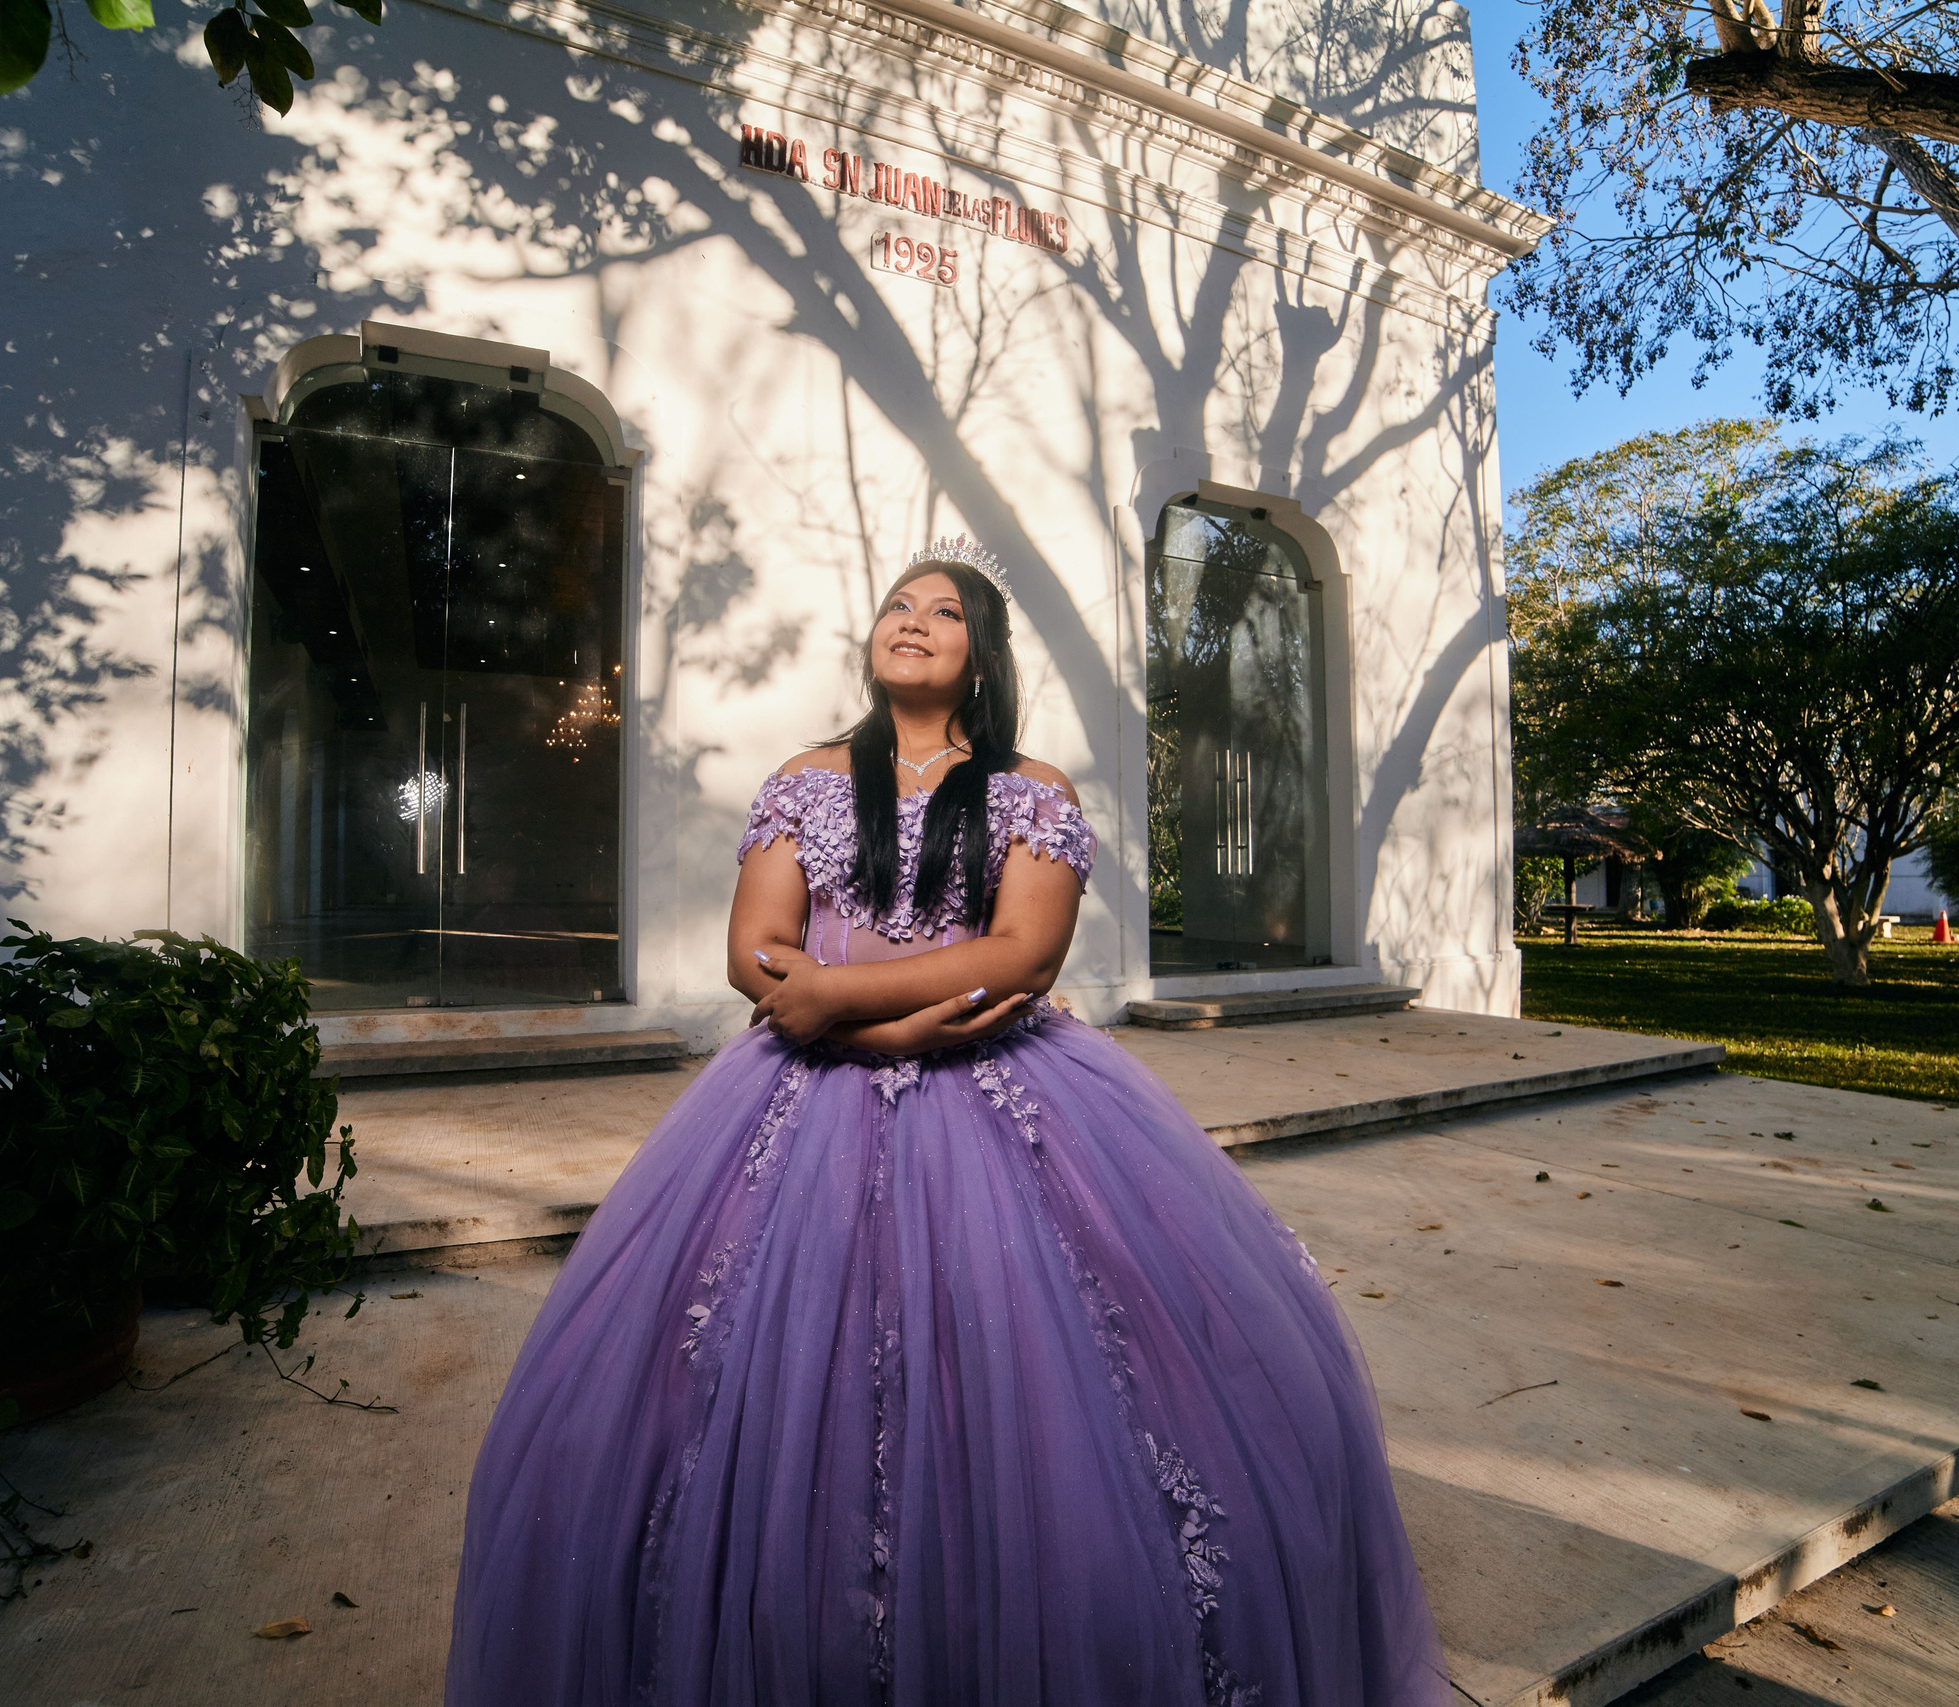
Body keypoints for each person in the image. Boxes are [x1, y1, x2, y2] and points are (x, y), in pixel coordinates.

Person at [446, 540, 1448, 1706]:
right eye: (897, 605)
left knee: (1055, 1381)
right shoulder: (805, 779)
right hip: (795, 1092)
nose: (913, 621)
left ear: (982, 657)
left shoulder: (1033, 791)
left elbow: (1021, 952)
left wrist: (839, 1001)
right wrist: (871, 1033)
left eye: (945, 612)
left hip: (1000, 1085)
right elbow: (754, 949)